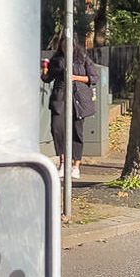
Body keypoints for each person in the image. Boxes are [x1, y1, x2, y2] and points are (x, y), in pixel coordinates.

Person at [44, 37, 95, 180]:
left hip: (78, 99)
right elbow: (47, 78)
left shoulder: (82, 57)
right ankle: (62, 163)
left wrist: (74, 77)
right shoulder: (57, 59)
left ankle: (76, 165)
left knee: (77, 131)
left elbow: (93, 78)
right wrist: (45, 70)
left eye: (68, 44)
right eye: (63, 44)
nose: (65, 47)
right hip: (60, 98)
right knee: (57, 129)